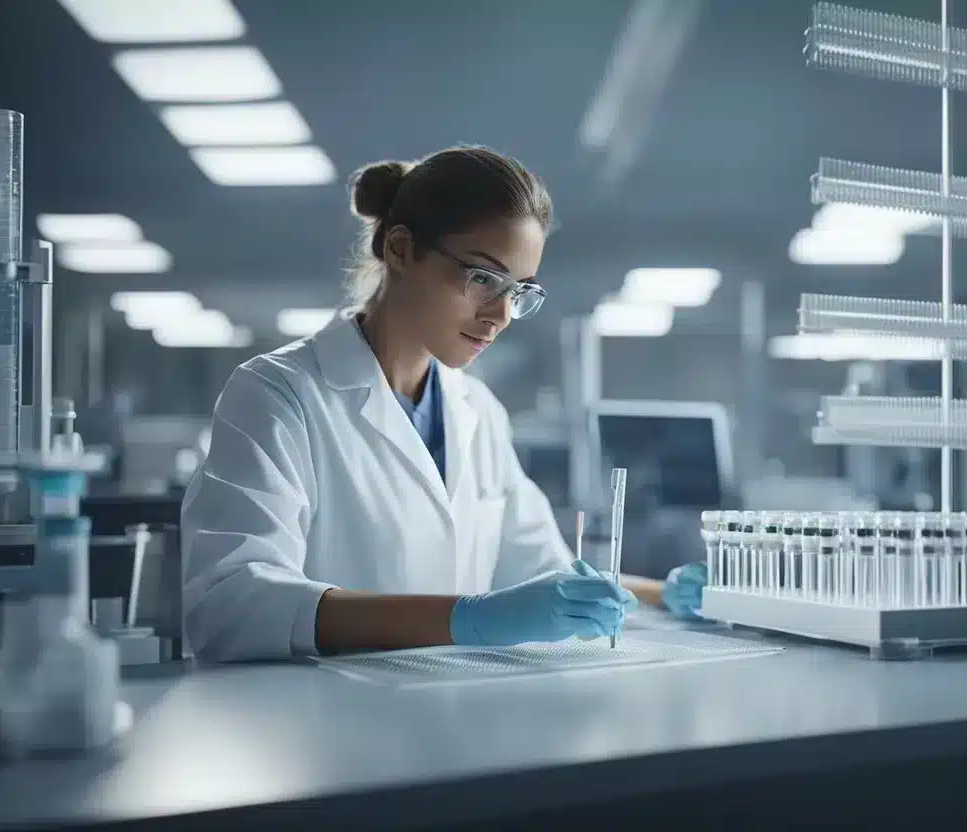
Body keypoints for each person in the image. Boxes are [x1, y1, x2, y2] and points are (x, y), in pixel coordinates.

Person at [181, 145, 708, 663]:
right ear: (400, 250)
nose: (500, 314)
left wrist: (664, 595)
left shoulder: (478, 410)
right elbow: (231, 604)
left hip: (458, 723)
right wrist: (467, 618)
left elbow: (543, 575)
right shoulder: (279, 395)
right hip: (325, 723)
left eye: (519, 289)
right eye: (482, 277)